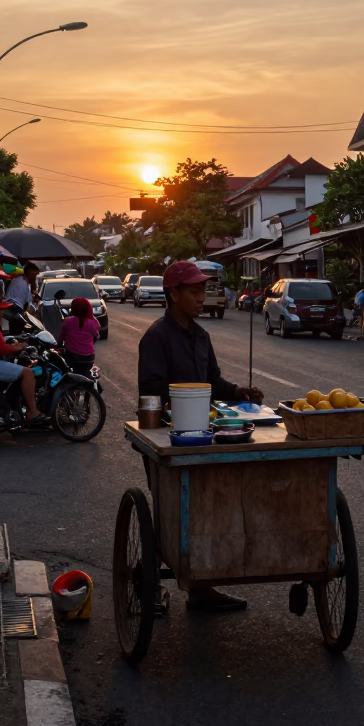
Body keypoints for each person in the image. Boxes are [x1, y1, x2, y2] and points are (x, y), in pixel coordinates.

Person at [138, 260, 264, 613]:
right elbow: (150, 391)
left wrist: (240, 392)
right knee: (180, 511)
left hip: (204, 434)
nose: (201, 297)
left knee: (213, 507)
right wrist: (184, 401)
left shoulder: (202, 335)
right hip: (169, 439)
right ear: (173, 295)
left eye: (203, 291)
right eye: (193, 292)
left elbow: (215, 383)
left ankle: (203, 588)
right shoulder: (156, 337)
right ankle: (176, 578)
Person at [58, 297, 100, 376]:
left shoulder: (67, 321)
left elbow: (61, 337)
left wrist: (57, 346)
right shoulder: (92, 322)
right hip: (89, 358)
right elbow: (97, 336)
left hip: (73, 357)